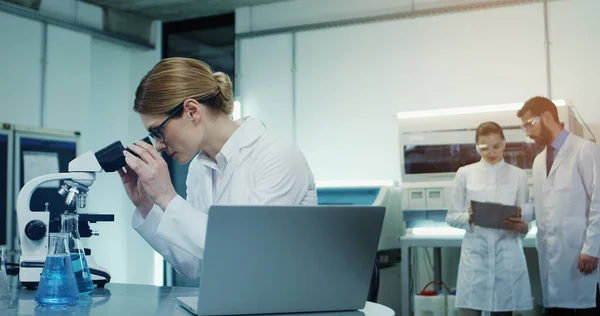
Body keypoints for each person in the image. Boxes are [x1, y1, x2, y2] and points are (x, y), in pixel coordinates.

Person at [118, 57, 317, 279]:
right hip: (232, 303)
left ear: (192, 111)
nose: (159, 145)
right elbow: (195, 264)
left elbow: (245, 253)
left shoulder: (277, 154)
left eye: (158, 132)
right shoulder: (199, 169)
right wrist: (148, 205)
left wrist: (167, 197)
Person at [517, 96, 600, 315]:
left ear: (546, 116)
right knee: (556, 308)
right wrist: (517, 212)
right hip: (551, 256)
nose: (527, 132)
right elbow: (542, 206)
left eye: (529, 124)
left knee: (583, 307)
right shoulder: (538, 161)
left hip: (581, 255)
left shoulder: (584, 150)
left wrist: (592, 249)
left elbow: (598, 203)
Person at [446, 121, 532, 316]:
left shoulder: (518, 176)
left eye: (496, 146)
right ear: (476, 146)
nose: (491, 152)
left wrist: (523, 227)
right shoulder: (464, 174)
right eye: (484, 147)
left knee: (503, 311)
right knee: (469, 310)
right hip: (476, 259)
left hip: (506, 258)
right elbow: (451, 217)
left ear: (504, 143)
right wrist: (469, 217)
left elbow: (525, 216)